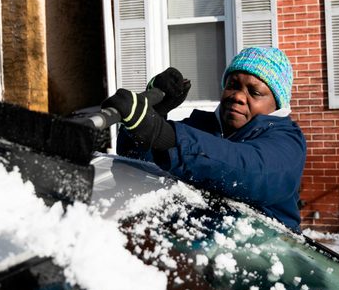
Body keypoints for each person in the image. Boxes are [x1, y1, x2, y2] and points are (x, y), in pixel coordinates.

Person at [102, 47, 306, 231]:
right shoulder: (200, 127)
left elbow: (251, 170)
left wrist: (164, 135)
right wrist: (155, 112)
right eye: (233, 85)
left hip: (268, 260)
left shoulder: (287, 141)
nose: (238, 96)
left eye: (254, 92)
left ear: (276, 105)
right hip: (197, 255)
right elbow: (137, 160)